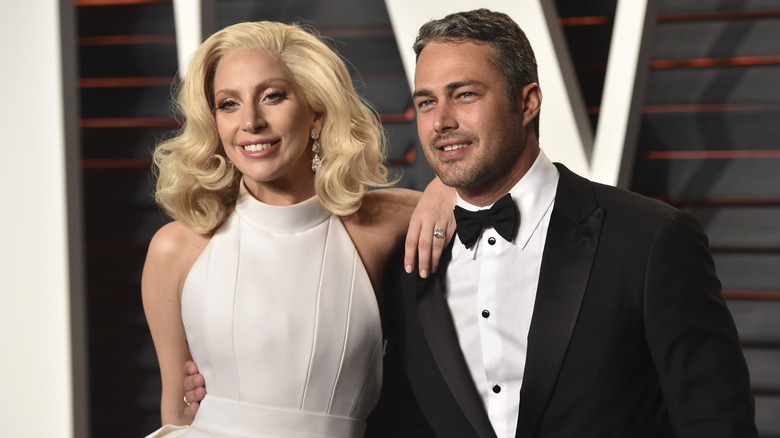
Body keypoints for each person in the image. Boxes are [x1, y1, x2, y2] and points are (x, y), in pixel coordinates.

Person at [184, 9, 758, 438]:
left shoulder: (650, 238)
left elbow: (716, 421)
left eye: (465, 95)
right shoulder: (401, 255)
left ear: (528, 101)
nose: (443, 121)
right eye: (427, 102)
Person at [141, 20, 453, 438]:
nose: (250, 121)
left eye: (272, 96)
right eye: (228, 104)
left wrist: (445, 187)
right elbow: (178, 413)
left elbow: (479, 196)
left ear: (317, 113)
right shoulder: (175, 249)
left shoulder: (377, 227)